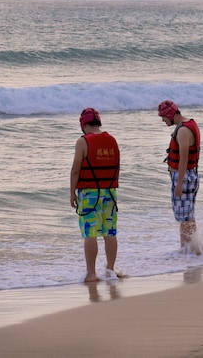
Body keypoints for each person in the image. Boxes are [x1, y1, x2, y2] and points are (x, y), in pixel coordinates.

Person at [69, 107, 120, 282]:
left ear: (83, 124)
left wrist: (72, 193)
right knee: (110, 233)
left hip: (90, 193)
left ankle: (91, 273)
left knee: (90, 234)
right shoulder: (112, 140)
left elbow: (76, 170)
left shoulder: (83, 142)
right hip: (110, 193)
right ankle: (110, 269)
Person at [158, 100, 201, 252]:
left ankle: (187, 250)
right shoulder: (190, 123)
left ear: (170, 114)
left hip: (184, 177)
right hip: (192, 175)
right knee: (189, 216)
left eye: (163, 117)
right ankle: (191, 248)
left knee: (185, 218)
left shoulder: (183, 131)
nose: (163, 120)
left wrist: (179, 183)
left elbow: (184, 158)